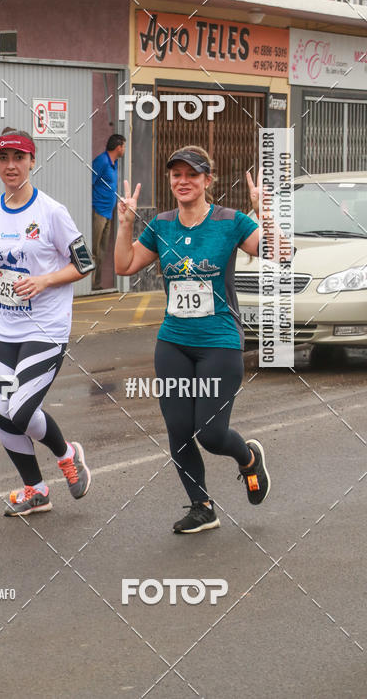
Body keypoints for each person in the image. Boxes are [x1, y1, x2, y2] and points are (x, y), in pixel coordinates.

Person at [114, 145, 271, 534]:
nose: (183, 182)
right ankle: (202, 507)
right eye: (176, 175)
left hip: (219, 341)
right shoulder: (162, 225)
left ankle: (249, 458)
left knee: (211, 433)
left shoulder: (230, 221)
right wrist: (125, 224)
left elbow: (277, 252)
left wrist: (264, 211)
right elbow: (124, 265)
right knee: (179, 429)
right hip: (173, 341)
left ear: (207, 181)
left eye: (192, 175)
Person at [0, 128, 93, 516]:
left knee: (19, 409)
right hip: (3, 328)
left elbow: (84, 263)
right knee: (0, 411)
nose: (10, 166)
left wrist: (44, 280)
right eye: (3, 159)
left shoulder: (51, 212)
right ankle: (35, 489)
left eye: (18, 158)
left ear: (32, 161)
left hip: (46, 330)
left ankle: (67, 453)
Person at [91, 133, 126, 290]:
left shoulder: (114, 162)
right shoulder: (102, 161)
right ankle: (89, 284)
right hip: (98, 211)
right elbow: (89, 182)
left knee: (102, 250)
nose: (124, 149)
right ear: (119, 147)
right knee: (94, 249)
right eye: (124, 146)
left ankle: (96, 284)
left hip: (108, 212)